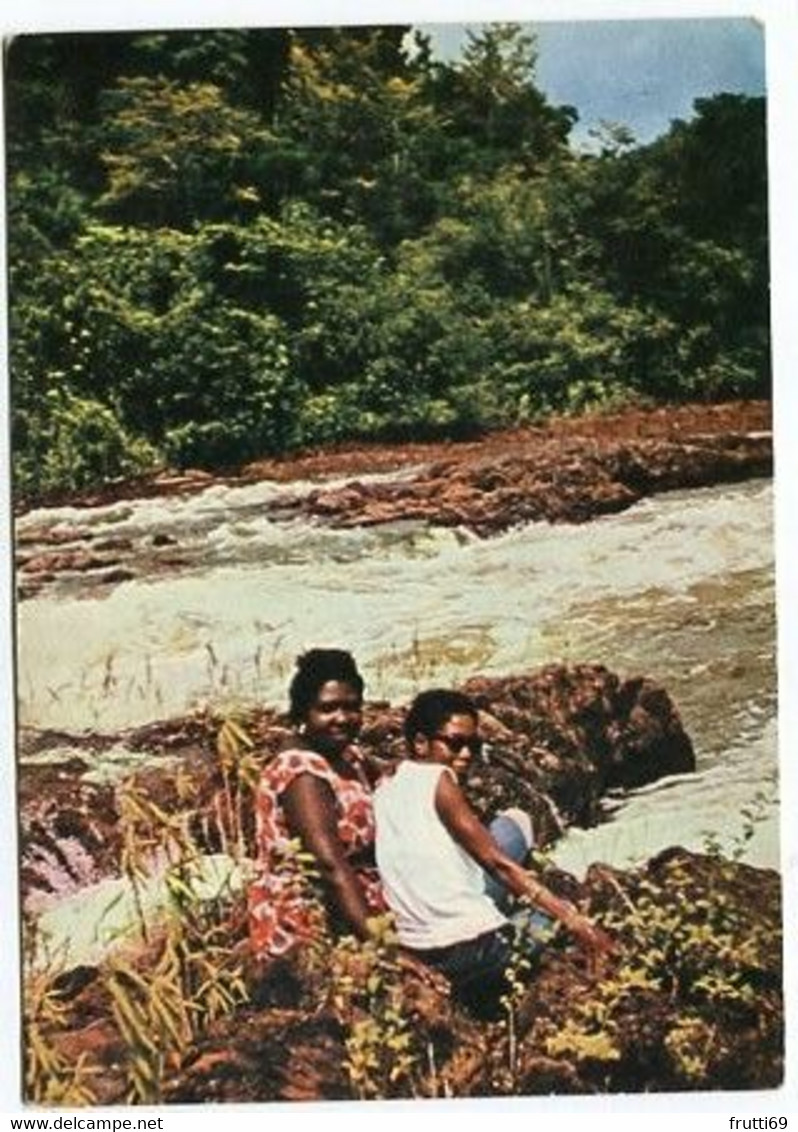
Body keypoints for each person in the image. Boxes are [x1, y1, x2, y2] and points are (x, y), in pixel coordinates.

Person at [373, 688, 613, 1015]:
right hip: (473, 953)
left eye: (473, 745)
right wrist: (575, 921)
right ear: (420, 743)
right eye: (455, 743)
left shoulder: (387, 785)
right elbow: (498, 865)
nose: (466, 754)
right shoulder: (439, 778)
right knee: (545, 917)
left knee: (510, 826)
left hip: (417, 947)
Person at [248, 648, 384, 959]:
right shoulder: (301, 772)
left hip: (362, 910)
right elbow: (329, 867)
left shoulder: (348, 757)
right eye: (327, 708)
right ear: (302, 713)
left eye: (351, 707)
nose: (342, 718)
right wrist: (385, 946)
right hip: (316, 928)